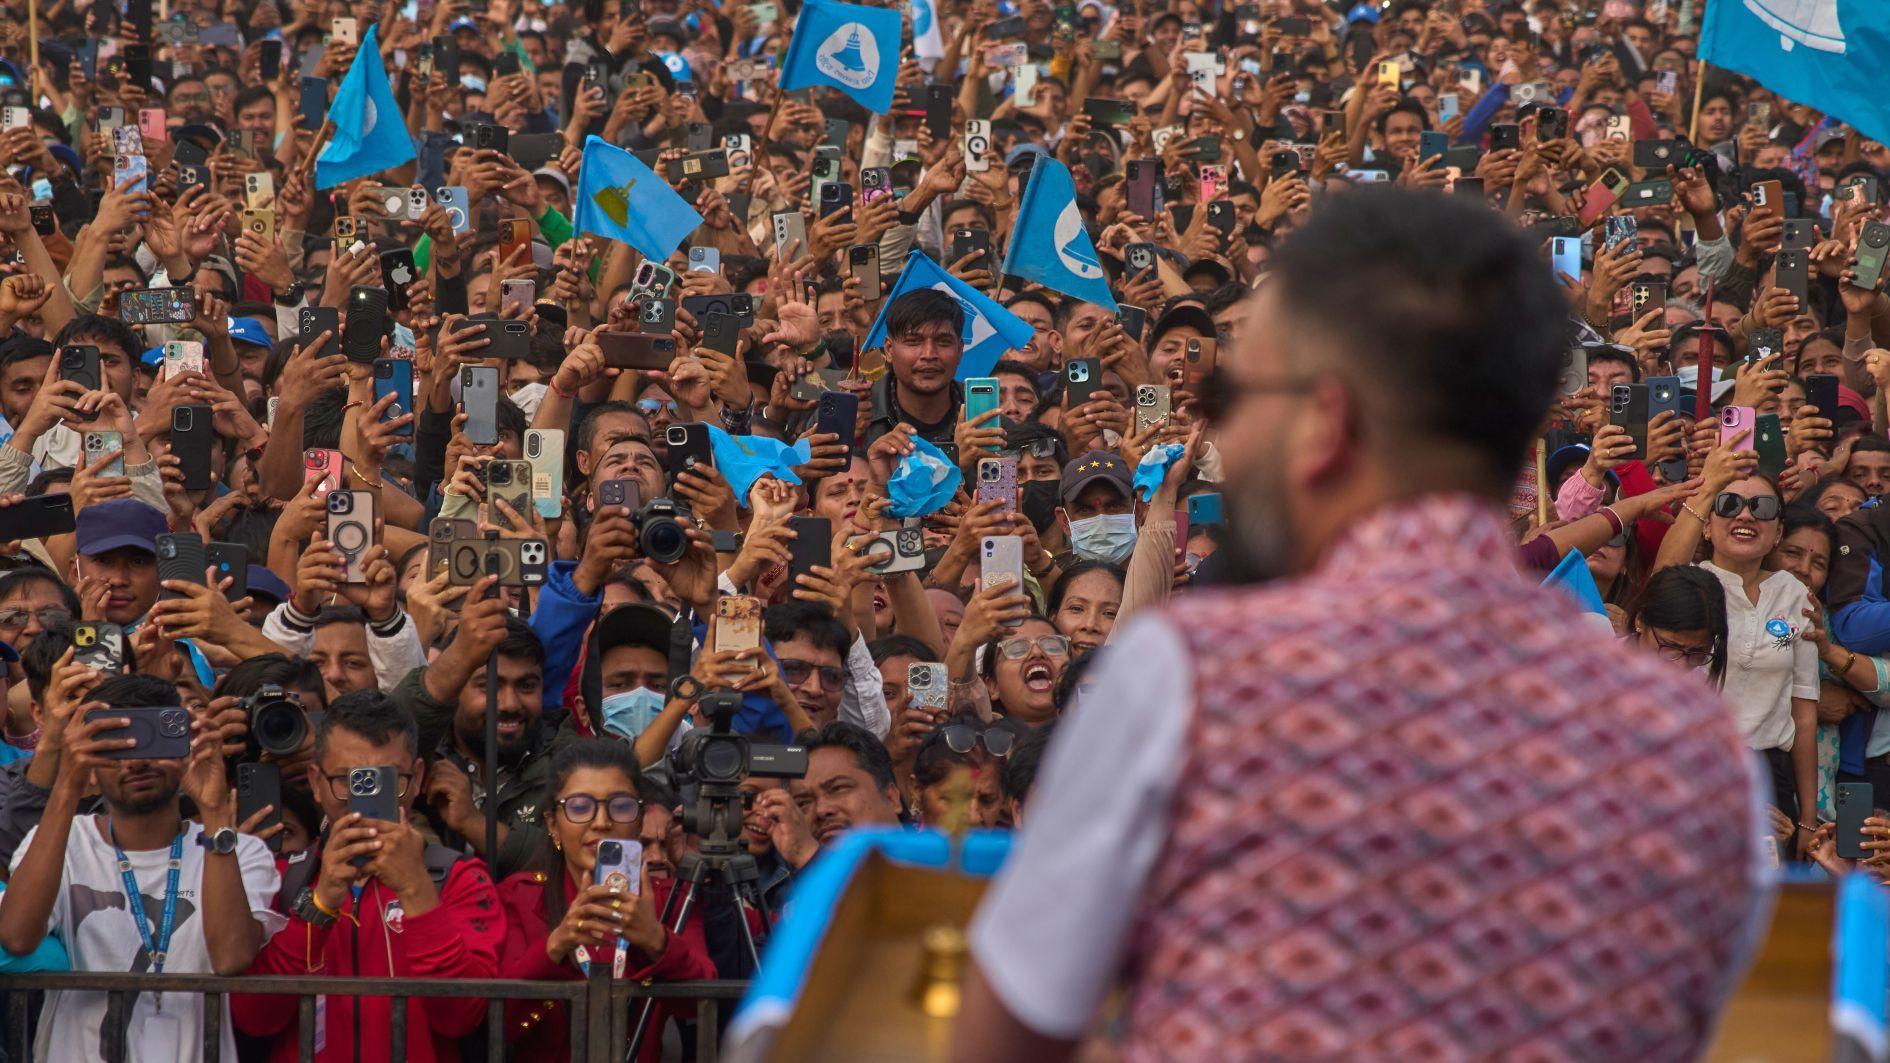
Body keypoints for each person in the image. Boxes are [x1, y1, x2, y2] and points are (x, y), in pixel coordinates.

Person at [955, 189, 1762, 1061]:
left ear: (1325, 422)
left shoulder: (1187, 682)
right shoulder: (1691, 740)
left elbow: (1004, 1038)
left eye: (1237, 389)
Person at [0, 674, 280, 1062]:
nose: (137, 761)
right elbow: (17, 937)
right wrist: (68, 782)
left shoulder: (239, 851)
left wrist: (215, 810)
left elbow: (231, 957)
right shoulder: (62, 842)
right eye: (116, 745)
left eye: (153, 739)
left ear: (184, 742)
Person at [231, 691, 503, 1063]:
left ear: (418, 776)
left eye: (386, 780)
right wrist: (320, 903)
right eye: (348, 780)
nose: (364, 797)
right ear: (315, 780)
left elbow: (461, 1018)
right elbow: (254, 1019)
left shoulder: (458, 877)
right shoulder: (283, 876)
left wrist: (416, 889)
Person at [495, 738, 713, 1060]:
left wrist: (656, 939)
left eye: (621, 806)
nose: (601, 822)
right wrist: (558, 943)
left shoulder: (670, 899)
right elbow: (502, 1024)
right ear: (553, 825)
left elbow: (702, 1003)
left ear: (639, 820)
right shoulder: (521, 897)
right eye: (580, 807)